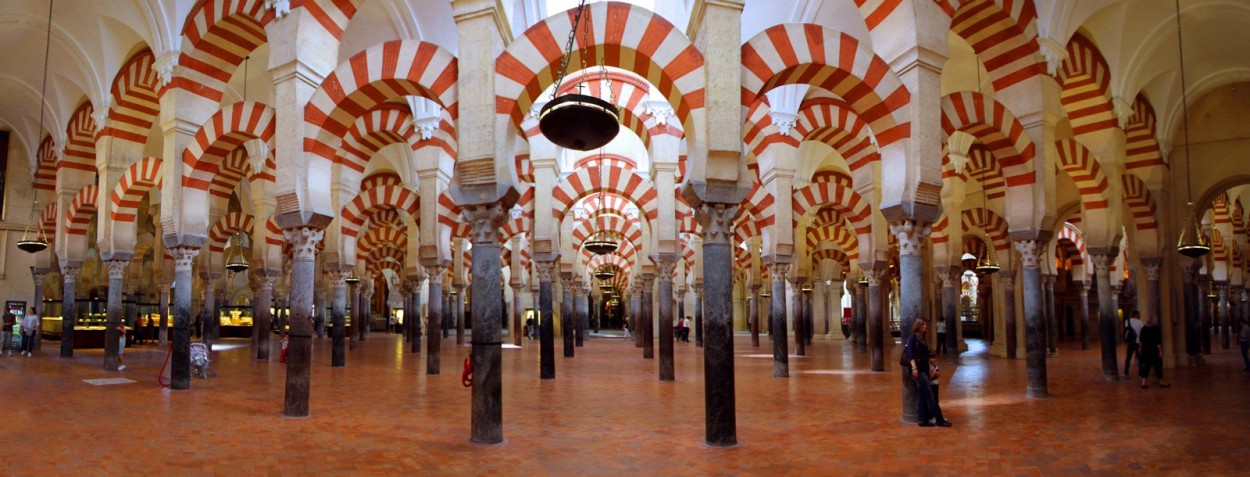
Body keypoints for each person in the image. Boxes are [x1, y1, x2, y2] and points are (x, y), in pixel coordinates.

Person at [902, 318, 951, 427]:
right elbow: (910, 354)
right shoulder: (913, 337)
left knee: (921, 395)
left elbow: (924, 354)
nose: (926, 326)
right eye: (924, 324)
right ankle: (939, 419)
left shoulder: (921, 338)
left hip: (924, 370)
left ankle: (923, 420)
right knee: (930, 395)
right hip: (919, 371)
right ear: (918, 326)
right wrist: (914, 368)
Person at [1137, 318, 1169, 389]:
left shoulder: (1143, 329)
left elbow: (1141, 341)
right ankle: (1161, 382)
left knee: (1146, 367)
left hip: (1145, 351)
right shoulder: (1155, 329)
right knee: (1157, 367)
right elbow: (1158, 342)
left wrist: (1140, 349)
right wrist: (1160, 351)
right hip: (1154, 351)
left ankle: (1144, 382)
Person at [1123, 311, 1143, 377]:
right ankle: (1140, 373)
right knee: (1140, 358)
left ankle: (1126, 372)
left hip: (1131, 342)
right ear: (1137, 315)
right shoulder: (1140, 322)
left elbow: (1126, 330)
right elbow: (1142, 332)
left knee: (1128, 357)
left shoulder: (1127, 321)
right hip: (1138, 342)